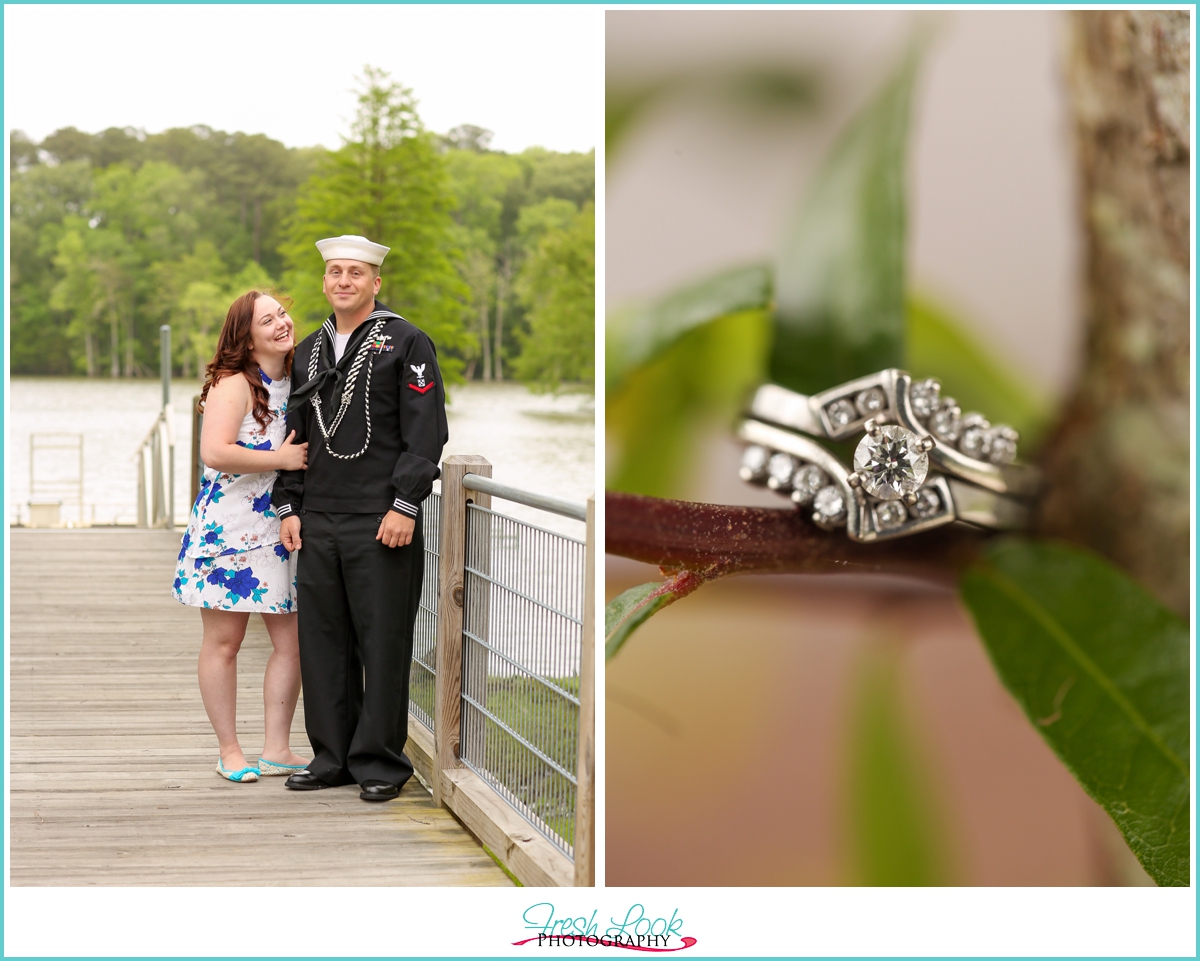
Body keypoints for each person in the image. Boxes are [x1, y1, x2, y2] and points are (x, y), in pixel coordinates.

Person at [271, 234, 448, 802]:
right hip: (318, 515)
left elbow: (427, 431)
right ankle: (331, 757)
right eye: (334, 272)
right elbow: (293, 434)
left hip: (380, 517)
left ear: (376, 282)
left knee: (383, 640)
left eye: (355, 273)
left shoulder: (408, 342)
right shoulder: (309, 350)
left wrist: (404, 503)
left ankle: (379, 763)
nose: (343, 281)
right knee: (323, 640)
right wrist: (289, 504)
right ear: (323, 281)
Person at [172, 290, 311, 783]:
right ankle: (230, 751)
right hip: (228, 529)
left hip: (281, 529)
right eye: (267, 320)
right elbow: (215, 451)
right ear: (246, 339)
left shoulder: (300, 379)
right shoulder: (234, 384)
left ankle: (277, 748)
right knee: (225, 642)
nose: (281, 323)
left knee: (293, 642)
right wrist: (281, 459)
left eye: (283, 313)